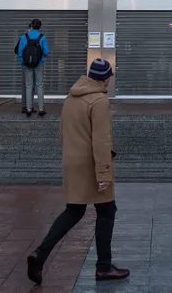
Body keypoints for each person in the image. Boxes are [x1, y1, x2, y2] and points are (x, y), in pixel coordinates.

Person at [27, 59, 129, 284]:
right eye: (109, 76)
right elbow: (102, 141)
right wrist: (103, 173)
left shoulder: (70, 99)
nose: (110, 80)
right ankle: (103, 267)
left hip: (72, 162)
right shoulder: (99, 101)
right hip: (92, 164)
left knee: (74, 210)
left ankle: (40, 254)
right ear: (104, 78)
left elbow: (63, 133)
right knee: (106, 211)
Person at [16, 19, 50, 117]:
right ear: (39, 27)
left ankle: (28, 109)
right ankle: (41, 109)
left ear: (31, 25)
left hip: (27, 65)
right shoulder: (42, 37)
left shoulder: (24, 37)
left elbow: (20, 52)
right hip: (39, 64)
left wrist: (23, 63)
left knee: (28, 85)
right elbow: (46, 52)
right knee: (39, 85)